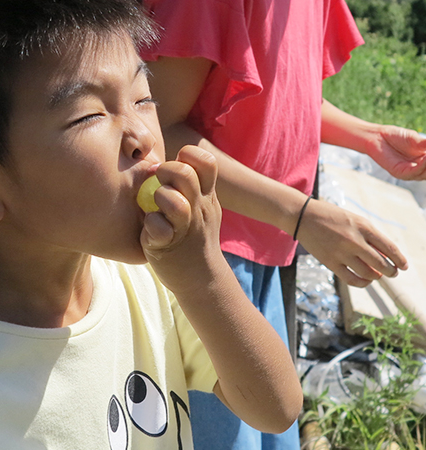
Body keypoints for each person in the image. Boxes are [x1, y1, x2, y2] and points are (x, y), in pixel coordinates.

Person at [0, 0, 304, 448]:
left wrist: (204, 274)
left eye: (144, 98)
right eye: (88, 115)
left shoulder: (153, 281)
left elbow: (275, 407)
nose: (143, 138)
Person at [139, 0, 426, 448]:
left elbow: (283, 91)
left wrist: (369, 139)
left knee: (274, 423)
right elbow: (156, 130)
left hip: (268, 247)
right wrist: (302, 215)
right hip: (199, 256)